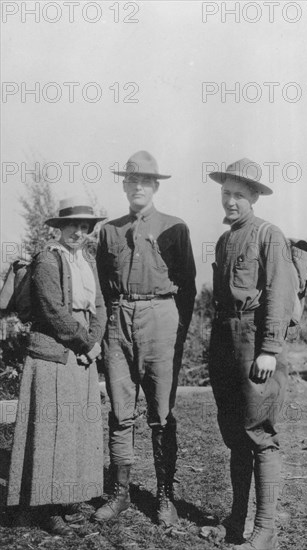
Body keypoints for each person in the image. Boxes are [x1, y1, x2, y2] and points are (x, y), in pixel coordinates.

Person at [94, 150, 196, 526]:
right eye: (131, 181)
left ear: (155, 186)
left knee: (162, 413)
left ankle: (164, 496)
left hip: (161, 317)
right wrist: (107, 328)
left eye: (145, 181)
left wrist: (177, 332)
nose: (138, 186)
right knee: (120, 411)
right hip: (118, 318)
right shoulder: (109, 230)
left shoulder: (175, 227)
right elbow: (103, 286)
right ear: (124, 185)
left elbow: (188, 287)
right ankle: (119, 494)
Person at [208, 158, 296, 550]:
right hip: (225, 340)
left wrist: (270, 350)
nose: (230, 201)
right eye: (226, 193)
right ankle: (237, 520)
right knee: (235, 434)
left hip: (254, 339)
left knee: (260, 435)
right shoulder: (226, 240)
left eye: (239, 195)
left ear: (254, 197)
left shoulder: (268, 235)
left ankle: (265, 529)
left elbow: (280, 293)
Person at [6, 196, 107, 536]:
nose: (79, 231)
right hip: (54, 351)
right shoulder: (47, 259)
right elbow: (52, 311)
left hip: (80, 352)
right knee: (52, 432)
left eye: (84, 226)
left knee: (74, 431)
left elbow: (99, 305)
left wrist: (93, 341)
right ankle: (44, 508)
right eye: (73, 225)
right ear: (59, 227)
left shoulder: (86, 261)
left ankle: (67, 499)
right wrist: (87, 344)